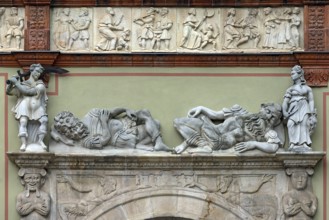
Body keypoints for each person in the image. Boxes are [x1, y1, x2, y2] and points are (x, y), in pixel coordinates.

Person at [173, 103, 284, 154]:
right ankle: (202, 145)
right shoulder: (240, 112)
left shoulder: (266, 133)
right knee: (178, 122)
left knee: (202, 128)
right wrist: (201, 108)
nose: (268, 116)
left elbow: (273, 147)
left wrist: (253, 144)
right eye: (268, 112)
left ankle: (205, 146)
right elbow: (216, 115)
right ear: (263, 108)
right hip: (211, 128)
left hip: (220, 142)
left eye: (272, 117)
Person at [51, 108, 171, 151]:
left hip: (125, 123)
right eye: (68, 131)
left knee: (145, 113)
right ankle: (149, 143)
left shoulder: (92, 114)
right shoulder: (85, 141)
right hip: (121, 137)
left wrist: (125, 109)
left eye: (71, 124)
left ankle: (158, 143)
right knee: (155, 123)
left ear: (73, 118)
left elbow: (111, 113)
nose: (74, 130)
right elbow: (105, 139)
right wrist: (103, 121)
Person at [6, 64, 48, 152]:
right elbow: (9, 91)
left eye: (40, 73)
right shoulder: (23, 84)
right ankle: (24, 143)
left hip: (37, 107)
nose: (38, 74)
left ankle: (40, 141)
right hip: (24, 106)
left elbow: (28, 92)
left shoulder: (41, 85)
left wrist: (16, 83)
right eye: (37, 71)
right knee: (23, 122)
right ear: (31, 71)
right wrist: (11, 83)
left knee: (44, 120)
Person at [282, 65, 317, 152]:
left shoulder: (307, 88)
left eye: (293, 73)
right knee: (290, 124)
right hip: (293, 107)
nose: (291, 75)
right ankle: (293, 143)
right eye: (291, 74)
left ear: (299, 74)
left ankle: (304, 143)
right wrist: (284, 112)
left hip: (304, 107)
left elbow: (311, 101)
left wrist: (312, 113)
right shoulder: (290, 89)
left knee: (304, 124)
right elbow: (285, 102)